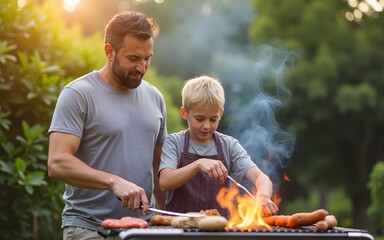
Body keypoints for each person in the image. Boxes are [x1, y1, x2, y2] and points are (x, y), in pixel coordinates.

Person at [47, 11, 166, 239]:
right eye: (133, 59)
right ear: (109, 51)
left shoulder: (155, 98)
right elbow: (57, 162)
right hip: (89, 228)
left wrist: (174, 218)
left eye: (147, 58)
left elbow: (158, 167)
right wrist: (113, 182)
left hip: (143, 229)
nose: (142, 67)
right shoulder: (78, 95)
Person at [158, 76, 278, 218]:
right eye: (200, 119)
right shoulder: (174, 142)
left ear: (220, 114)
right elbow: (165, 183)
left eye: (213, 119)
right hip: (178, 230)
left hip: (219, 230)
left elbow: (260, 177)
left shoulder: (229, 145)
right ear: (185, 113)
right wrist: (198, 164)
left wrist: (263, 196)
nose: (207, 126)